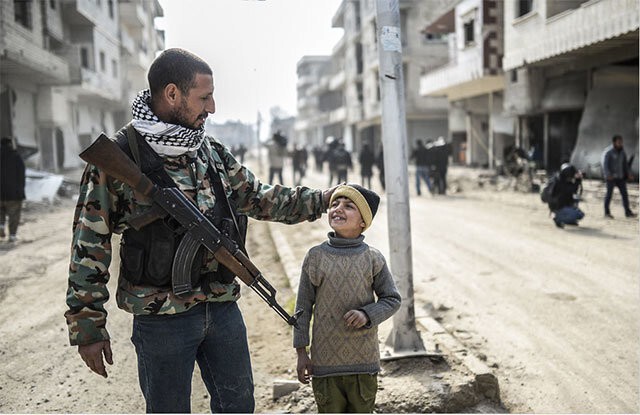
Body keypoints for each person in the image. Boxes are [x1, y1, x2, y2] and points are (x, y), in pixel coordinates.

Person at [64, 48, 337, 414]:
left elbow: (258, 198)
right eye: (204, 98)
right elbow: (89, 243)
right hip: (162, 319)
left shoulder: (209, 151)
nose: (212, 108)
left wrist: (322, 199)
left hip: (222, 306)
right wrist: (88, 327)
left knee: (239, 406)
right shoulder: (118, 158)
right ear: (172, 94)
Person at [293, 184, 401, 413]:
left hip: (363, 364)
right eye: (334, 204)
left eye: (348, 206)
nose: (338, 209)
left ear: (364, 221)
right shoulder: (315, 257)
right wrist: (301, 352)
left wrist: (367, 314)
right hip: (325, 365)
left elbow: (391, 299)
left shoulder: (372, 258)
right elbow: (302, 307)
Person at [602, 135, 637, 219]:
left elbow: (625, 165)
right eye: (619, 142)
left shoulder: (622, 152)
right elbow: (605, 165)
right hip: (611, 178)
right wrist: (608, 175)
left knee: (625, 194)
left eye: (621, 142)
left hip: (620, 178)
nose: (621, 144)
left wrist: (629, 174)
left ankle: (628, 212)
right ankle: (607, 213)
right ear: (614, 142)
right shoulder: (608, 152)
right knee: (609, 195)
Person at [0, 137, 26, 243]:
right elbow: (21, 174)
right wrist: (20, 190)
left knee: (0, 212)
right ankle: (12, 235)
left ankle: (1, 226)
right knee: (14, 214)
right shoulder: (16, 157)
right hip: (14, 194)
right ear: (11, 144)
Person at [549, 163, 585, 228]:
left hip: (562, 204)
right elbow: (571, 190)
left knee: (580, 214)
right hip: (558, 206)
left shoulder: (562, 180)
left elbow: (573, 191)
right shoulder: (560, 182)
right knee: (577, 214)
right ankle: (558, 218)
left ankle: (569, 220)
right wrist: (577, 180)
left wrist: (578, 180)